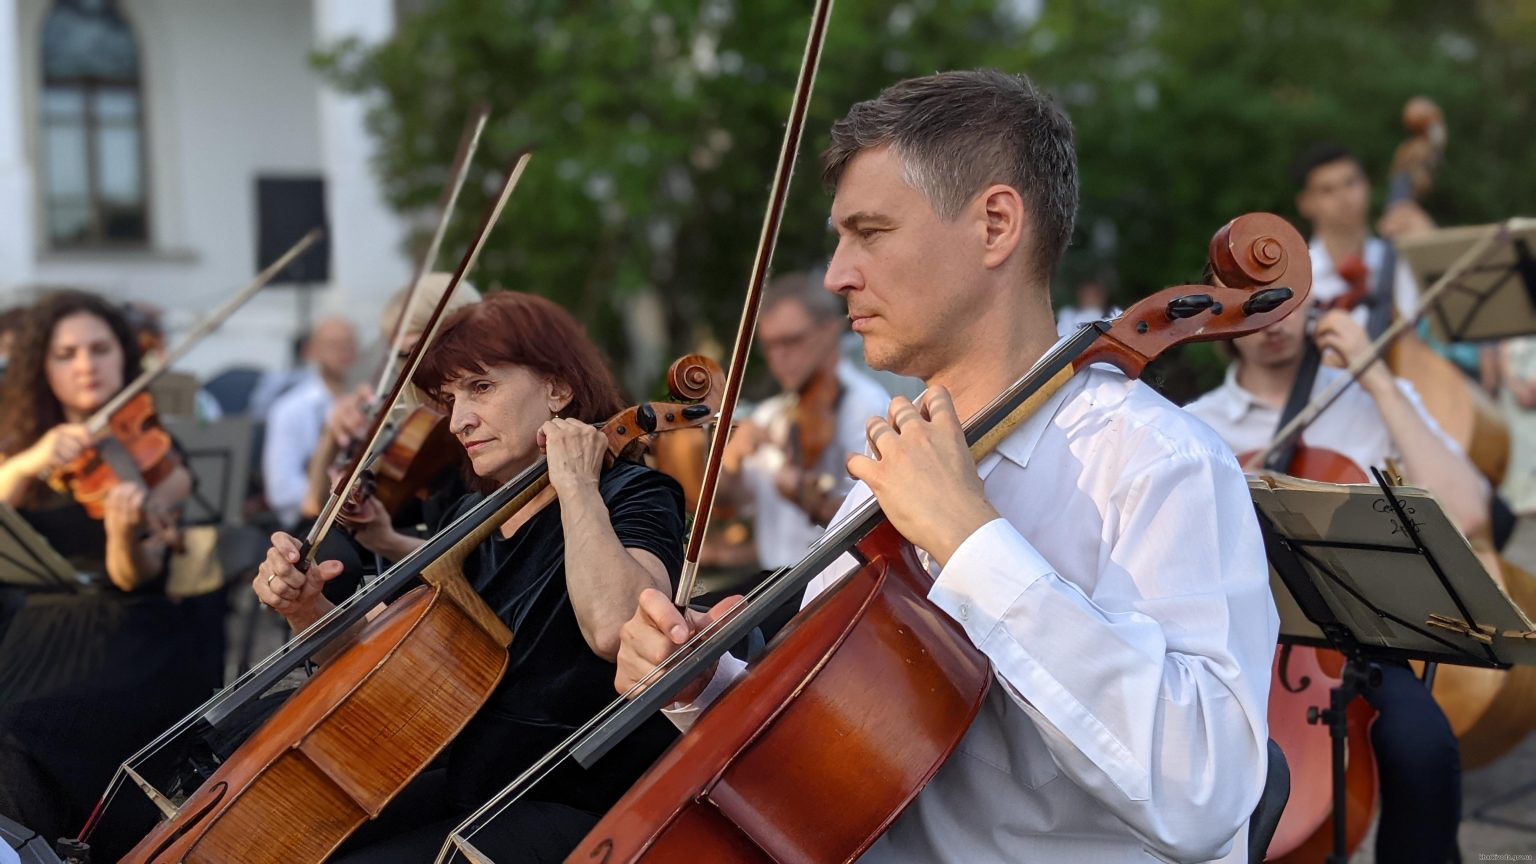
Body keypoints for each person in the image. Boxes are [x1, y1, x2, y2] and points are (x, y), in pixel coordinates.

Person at [615, 70, 1277, 863]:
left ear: (995, 225)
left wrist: (974, 544)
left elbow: (1206, 790)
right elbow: (839, 732)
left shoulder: (1158, 462)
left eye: (870, 231)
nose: (837, 274)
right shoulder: (892, 464)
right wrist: (704, 685)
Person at [252, 292, 686, 861]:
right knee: (289, 843)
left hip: (578, 805)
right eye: (449, 399)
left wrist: (577, 484)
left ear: (557, 389)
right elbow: (388, 667)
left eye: (481, 388)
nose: (458, 421)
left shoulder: (637, 493)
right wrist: (306, 610)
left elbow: (614, 627)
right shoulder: (472, 519)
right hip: (479, 785)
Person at [1184, 296, 1480, 864]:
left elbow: (1467, 513)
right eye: (1251, 306)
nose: (1273, 321)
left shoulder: (1368, 396)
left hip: (1359, 644)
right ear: (1222, 319)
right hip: (1239, 650)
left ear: (1313, 305)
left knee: (1424, 746)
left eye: (1286, 300)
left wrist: (1380, 384)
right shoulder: (1198, 422)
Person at [0, 291, 220, 858]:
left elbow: (137, 573)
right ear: (41, 367)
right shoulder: (23, 448)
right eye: (65, 353)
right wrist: (31, 459)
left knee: (30, 722)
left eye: (99, 349)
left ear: (123, 358)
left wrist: (123, 534)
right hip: (40, 624)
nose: (84, 365)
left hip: (132, 625)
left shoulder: (155, 455)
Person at [713, 271, 889, 569]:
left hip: (834, 584)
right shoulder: (771, 415)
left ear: (830, 331)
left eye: (791, 341)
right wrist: (730, 459)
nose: (778, 357)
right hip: (774, 581)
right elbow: (728, 502)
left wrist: (799, 491)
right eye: (769, 346)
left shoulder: (866, 408)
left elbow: (874, 526)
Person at [260, 316, 357, 527]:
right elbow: (281, 490)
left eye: (349, 343)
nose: (343, 351)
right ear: (312, 351)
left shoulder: (366, 399)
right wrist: (338, 496)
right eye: (332, 344)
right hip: (306, 523)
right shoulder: (288, 409)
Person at [1054, 278, 1120, 337]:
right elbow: (1061, 338)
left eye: (1093, 296)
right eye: (1087, 296)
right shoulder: (1068, 315)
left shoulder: (1114, 313)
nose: (1090, 299)